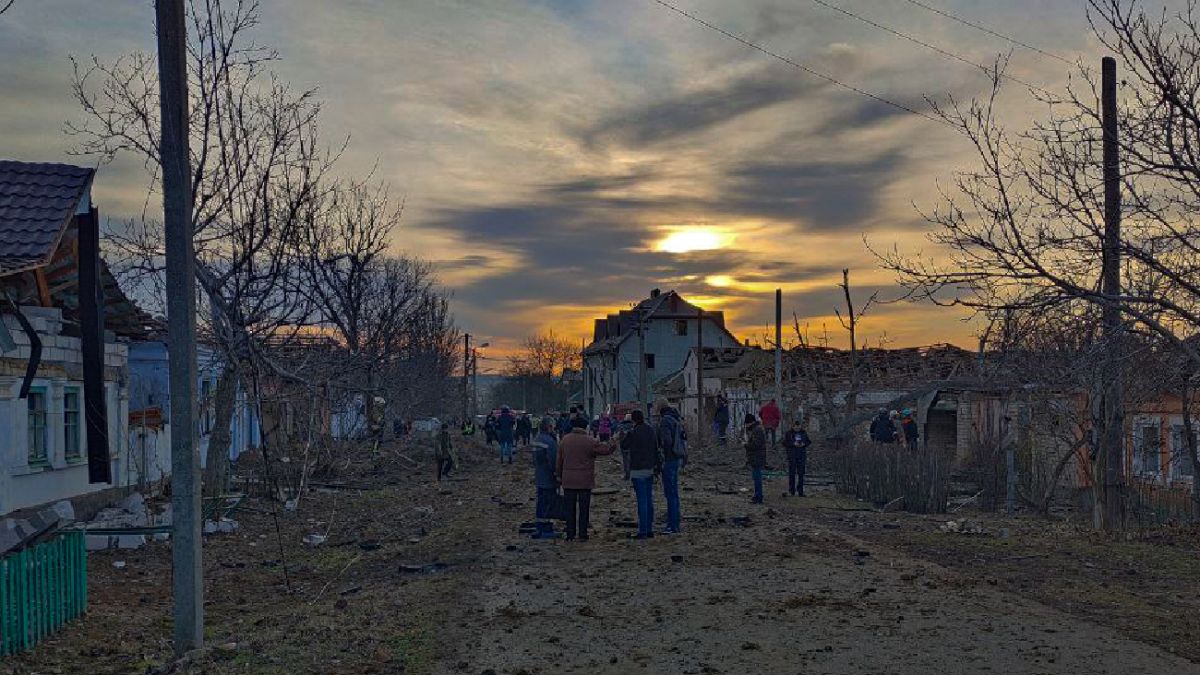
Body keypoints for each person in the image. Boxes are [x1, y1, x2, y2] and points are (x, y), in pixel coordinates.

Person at [556, 417, 616, 541]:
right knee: (584, 508)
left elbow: (559, 461)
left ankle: (570, 533)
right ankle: (582, 534)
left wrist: (559, 476)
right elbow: (606, 450)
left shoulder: (565, 440)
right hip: (584, 480)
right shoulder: (590, 441)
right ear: (585, 427)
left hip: (568, 480)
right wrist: (614, 442)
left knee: (569, 508)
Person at [621, 409, 660, 539]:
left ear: (633, 420)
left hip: (637, 470)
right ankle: (649, 529)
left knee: (642, 501)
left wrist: (623, 435)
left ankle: (642, 531)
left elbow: (624, 446)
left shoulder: (633, 432)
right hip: (649, 468)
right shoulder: (650, 430)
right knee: (649, 500)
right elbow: (656, 448)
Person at [656, 403, 687, 534]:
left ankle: (672, 525)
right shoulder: (676, 420)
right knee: (674, 493)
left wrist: (662, 455)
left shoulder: (665, 422)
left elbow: (666, 441)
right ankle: (675, 523)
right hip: (677, 458)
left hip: (669, 460)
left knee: (670, 494)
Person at [531, 417, 560, 539]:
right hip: (548, 478)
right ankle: (546, 530)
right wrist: (557, 475)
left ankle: (539, 527)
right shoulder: (550, 442)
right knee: (548, 503)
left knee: (541, 503)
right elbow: (554, 461)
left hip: (539, 476)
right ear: (549, 427)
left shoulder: (537, 439)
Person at [782, 420, 812, 497]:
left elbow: (808, 441)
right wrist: (793, 444)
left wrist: (803, 444)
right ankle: (792, 490)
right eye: (796, 427)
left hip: (801, 455)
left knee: (801, 474)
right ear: (793, 426)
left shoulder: (803, 433)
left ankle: (800, 491)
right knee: (792, 474)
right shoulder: (789, 433)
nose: (797, 428)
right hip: (792, 455)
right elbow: (784, 443)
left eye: (799, 427)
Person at [744, 413, 767, 504]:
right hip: (756, 457)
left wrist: (746, 444)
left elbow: (756, 444)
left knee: (757, 478)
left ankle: (758, 496)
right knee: (756, 477)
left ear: (751, 422)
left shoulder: (757, 430)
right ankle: (757, 495)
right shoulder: (757, 429)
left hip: (757, 457)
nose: (746, 425)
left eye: (747, 423)